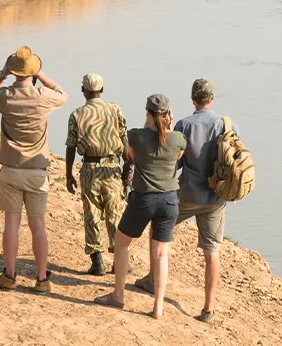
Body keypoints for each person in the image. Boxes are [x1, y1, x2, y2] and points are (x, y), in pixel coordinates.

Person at [136, 78, 239, 324]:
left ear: (193, 99)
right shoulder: (227, 124)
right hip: (216, 197)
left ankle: (152, 279)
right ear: (212, 98)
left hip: (186, 195)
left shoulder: (184, 124)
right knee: (212, 252)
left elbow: (176, 161)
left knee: (158, 231)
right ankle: (208, 309)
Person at [0, 46, 68, 293]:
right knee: (37, 224)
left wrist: (2, 74)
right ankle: (41, 279)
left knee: (11, 223)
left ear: (13, 70)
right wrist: (41, 75)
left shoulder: (6, 95)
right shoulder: (43, 97)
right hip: (37, 172)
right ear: (33, 71)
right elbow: (62, 93)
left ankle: (9, 275)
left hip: (10, 169)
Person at [94, 94, 186, 318]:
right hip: (169, 201)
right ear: (168, 114)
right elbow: (178, 156)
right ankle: (158, 307)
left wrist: (148, 126)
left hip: (144, 199)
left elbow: (131, 155)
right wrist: (167, 127)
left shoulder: (136, 135)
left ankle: (118, 295)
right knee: (161, 254)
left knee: (122, 243)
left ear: (148, 113)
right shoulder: (178, 139)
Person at [65, 73, 131, 276]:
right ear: (101, 90)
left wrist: (68, 173)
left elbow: (70, 146)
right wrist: (128, 171)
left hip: (89, 169)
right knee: (116, 215)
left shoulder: (76, 114)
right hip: (112, 168)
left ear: (83, 90)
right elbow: (125, 143)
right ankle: (119, 261)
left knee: (91, 215)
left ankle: (97, 262)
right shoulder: (115, 109)